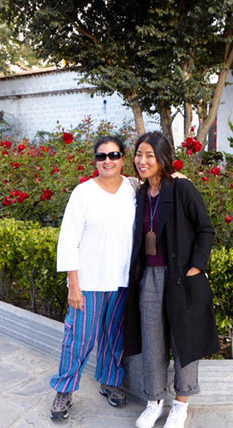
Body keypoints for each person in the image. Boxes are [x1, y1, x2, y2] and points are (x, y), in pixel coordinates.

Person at [124, 131, 219, 428]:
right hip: (149, 278)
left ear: (163, 157)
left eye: (150, 155)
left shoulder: (181, 189)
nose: (142, 161)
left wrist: (196, 267)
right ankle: (154, 400)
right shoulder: (140, 193)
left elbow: (206, 229)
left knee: (183, 340)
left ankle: (181, 403)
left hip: (180, 277)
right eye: (139, 154)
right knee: (152, 340)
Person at [50, 136, 135, 420]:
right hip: (88, 283)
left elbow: (162, 181)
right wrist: (73, 284)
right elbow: (68, 240)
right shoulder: (83, 193)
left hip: (122, 280)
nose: (108, 160)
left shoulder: (133, 189)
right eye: (101, 156)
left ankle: (110, 382)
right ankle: (64, 389)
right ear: (95, 161)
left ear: (124, 158)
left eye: (114, 155)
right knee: (79, 339)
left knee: (115, 337)